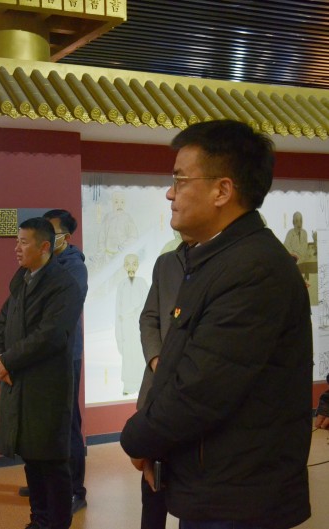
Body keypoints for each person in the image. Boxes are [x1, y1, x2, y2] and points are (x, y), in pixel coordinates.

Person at [120, 120, 314, 529]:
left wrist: (137, 437)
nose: (170, 193)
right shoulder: (213, 260)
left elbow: (200, 389)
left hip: (240, 496)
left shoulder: (253, 269)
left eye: (180, 180)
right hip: (216, 484)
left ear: (222, 191)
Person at [0, 217, 83, 529]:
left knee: (51, 462)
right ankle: (38, 520)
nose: (16, 248)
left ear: (44, 246)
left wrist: (9, 360)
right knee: (31, 458)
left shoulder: (64, 284)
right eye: (16, 241)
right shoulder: (23, 279)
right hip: (19, 382)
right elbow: (2, 321)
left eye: (23, 242)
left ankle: (55, 523)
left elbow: (51, 335)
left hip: (46, 387)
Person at [38, 208, 89, 514]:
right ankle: (48, 484)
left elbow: (59, 307)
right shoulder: (42, 262)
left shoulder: (74, 267)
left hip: (66, 354)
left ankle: (75, 490)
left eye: (51, 233)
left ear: (66, 238)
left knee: (67, 423)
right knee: (45, 422)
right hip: (42, 354)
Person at [136, 241, 189, 529]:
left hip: (197, 391)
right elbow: (149, 317)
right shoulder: (166, 262)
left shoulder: (226, 260)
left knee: (193, 497)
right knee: (153, 486)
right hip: (159, 391)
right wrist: (156, 359)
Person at [115, 253, 149, 395]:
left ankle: (142, 384)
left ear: (138, 266)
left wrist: (134, 311)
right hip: (126, 327)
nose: (131, 267)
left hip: (139, 326)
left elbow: (147, 305)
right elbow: (118, 310)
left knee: (140, 354)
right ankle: (129, 385)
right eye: (128, 264)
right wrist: (119, 333)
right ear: (124, 266)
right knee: (128, 355)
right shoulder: (121, 285)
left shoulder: (142, 282)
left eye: (134, 263)